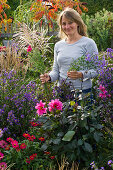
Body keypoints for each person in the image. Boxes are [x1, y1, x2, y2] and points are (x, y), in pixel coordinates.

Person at [40, 7, 98, 93]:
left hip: (83, 93)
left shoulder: (88, 43)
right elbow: (55, 71)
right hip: (62, 92)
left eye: (70, 23)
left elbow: (96, 70)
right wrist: (49, 77)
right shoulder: (58, 45)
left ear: (77, 23)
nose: (67, 27)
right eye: (64, 24)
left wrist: (81, 74)